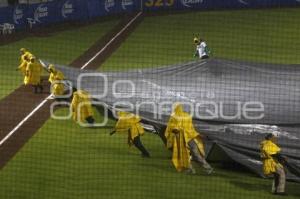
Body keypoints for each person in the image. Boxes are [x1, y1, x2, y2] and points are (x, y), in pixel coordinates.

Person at [165, 103, 213, 174]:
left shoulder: (174, 116)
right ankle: (202, 169)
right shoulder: (187, 116)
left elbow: (171, 128)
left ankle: (193, 169)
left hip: (183, 139)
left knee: (184, 154)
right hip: (188, 138)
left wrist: (175, 130)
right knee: (195, 154)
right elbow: (189, 128)